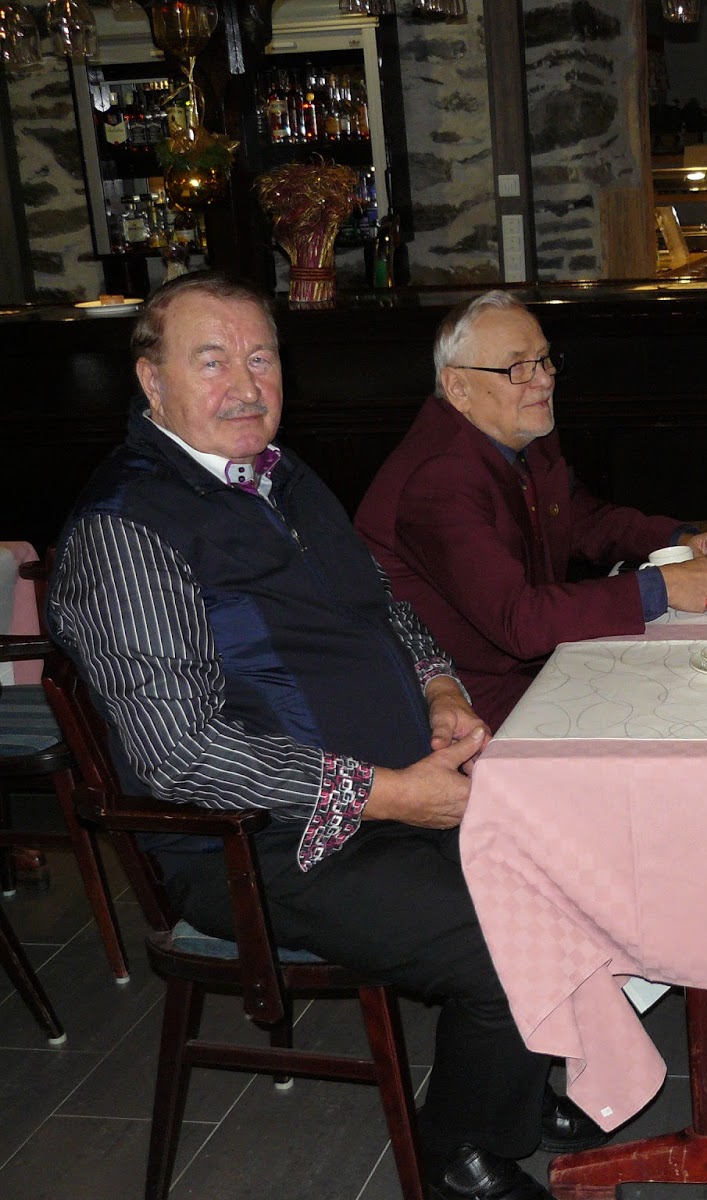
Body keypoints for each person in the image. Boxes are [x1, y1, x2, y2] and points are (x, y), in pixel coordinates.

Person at [46, 273, 603, 1200]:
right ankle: (457, 1154)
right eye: (211, 361)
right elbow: (180, 754)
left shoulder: (281, 476)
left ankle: (510, 1085)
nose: (245, 385)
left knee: (581, 855)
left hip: (389, 788)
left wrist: (437, 687)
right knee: (508, 932)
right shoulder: (127, 530)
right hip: (257, 843)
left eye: (260, 358)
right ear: (151, 381)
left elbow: (383, 607)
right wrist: (392, 794)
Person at [356, 290, 707, 730]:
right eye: (517, 367)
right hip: (465, 708)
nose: (543, 380)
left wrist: (679, 539)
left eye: (543, 360)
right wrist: (658, 588)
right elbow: (519, 621)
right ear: (458, 388)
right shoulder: (438, 479)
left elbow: (582, 520)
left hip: (541, 674)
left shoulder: (515, 434)